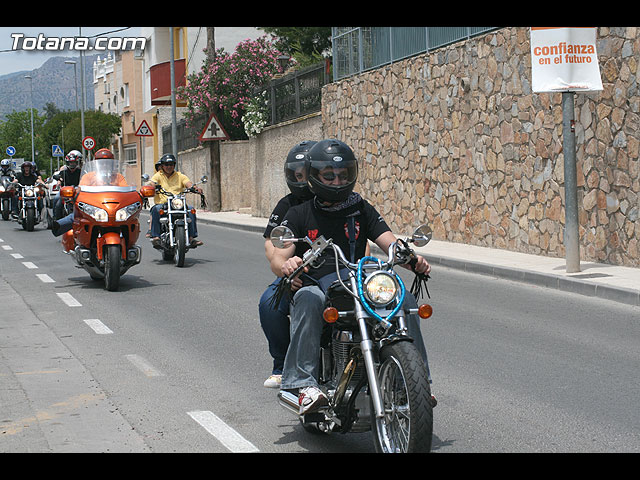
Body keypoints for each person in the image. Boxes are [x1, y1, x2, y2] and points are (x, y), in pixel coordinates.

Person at [270, 139, 434, 415]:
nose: (337, 181)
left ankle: (419, 385)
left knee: (403, 298)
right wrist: (288, 263)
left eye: (343, 175)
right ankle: (302, 384)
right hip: (317, 282)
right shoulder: (299, 212)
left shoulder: (360, 208)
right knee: (308, 299)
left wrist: (411, 259)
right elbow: (279, 255)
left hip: (357, 280)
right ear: (314, 176)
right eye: (329, 176)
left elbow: (388, 241)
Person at [258, 140, 316, 389]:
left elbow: (361, 241)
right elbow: (270, 243)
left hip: (335, 271)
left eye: (305, 174)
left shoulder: (341, 202)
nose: (301, 180)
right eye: (296, 175)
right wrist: (284, 269)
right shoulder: (288, 205)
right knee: (269, 304)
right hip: (295, 274)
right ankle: (282, 365)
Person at [148, 154, 203, 248]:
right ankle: (156, 236)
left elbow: (188, 183)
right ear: (162, 166)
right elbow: (152, 183)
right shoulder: (158, 175)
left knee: (191, 210)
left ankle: (191, 238)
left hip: (178, 203)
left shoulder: (180, 176)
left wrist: (194, 188)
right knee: (155, 209)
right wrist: (152, 187)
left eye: (171, 164)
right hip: (163, 204)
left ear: (174, 165)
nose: (169, 167)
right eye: (166, 164)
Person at [53, 150, 83, 219]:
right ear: (68, 163)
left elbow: (85, 178)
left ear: (77, 163)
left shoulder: (80, 172)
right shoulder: (64, 172)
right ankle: (55, 217)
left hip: (77, 190)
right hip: (65, 191)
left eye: (74, 162)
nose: (72, 164)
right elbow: (59, 178)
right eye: (70, 162)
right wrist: (59, 181)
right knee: (56, 198)